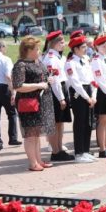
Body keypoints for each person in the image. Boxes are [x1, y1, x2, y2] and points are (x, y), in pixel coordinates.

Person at [12, 37, 56, 172]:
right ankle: (33, 163)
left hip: (40, 103)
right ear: (28, 50)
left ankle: (39, 160)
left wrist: (48, 80)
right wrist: (38, 85)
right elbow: (18, 86)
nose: (39, 51)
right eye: (36, 49)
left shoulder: (37, 62)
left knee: (36, 134)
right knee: (30, 135)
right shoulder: (21, 65)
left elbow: (43, 77)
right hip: (28, 104)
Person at [41, 30, 75, 161]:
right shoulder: (50, 58)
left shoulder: (58, 57)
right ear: (54, 43)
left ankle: (60, 149)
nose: (64, 44)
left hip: (61, 90)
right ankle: (55, 151)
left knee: (60, 123)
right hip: (55, 93)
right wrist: (61, 98)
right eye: (61, 42)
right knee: (55, 123)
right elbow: (54, 80)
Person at [64, 33, 97, 163]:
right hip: (78, 93)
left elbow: (92, 79)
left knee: (88, 122)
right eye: (83, 47)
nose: (86, 49)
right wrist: (87, 97)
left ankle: (86, 150)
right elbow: (75, 83)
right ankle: (79, 153)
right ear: (76, 49)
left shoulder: (86, 59)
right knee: (80, 122)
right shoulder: (70, 63)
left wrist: (93, 95)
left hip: (88, 90)